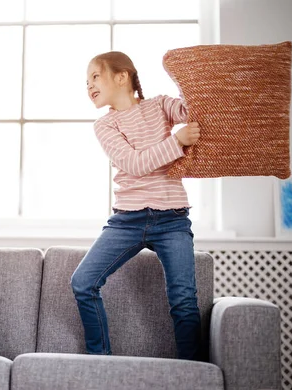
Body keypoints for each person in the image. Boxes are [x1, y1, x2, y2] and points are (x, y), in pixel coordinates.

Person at [71, 51, 202, 360]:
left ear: (121, 77)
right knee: (83, 283)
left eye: (95, 76)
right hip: (127, 221)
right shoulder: (105, 126)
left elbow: (193, 110)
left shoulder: (159, 105)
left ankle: (194, 371)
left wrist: (184, 76)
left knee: (184, 299)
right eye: (85, 80)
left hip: (172, 219)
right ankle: (99, 359)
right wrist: (177, 142)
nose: (88, 84)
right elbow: (135, 163)